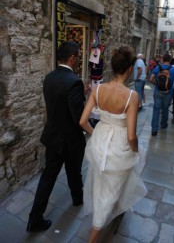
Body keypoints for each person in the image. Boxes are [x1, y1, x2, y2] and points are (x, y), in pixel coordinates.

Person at [80, 46, 147, 243]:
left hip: (100, 142)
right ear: (128, 70)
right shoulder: (131, 96)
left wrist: (96, 135)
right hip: (120, 147)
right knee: (110, 192)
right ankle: (95, 233)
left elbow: (83, 121)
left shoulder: (97, 89)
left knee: (102, 183)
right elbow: (132, 136)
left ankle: (115, 210)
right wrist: (135, 151)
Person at [27, 42, 87, 232]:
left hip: (53, 136)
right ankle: (77, 199)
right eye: (78, 56)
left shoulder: (49, 77)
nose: (79, 59)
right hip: (70, 140)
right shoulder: (74, 81)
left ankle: (34, 219)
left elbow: (58, 104)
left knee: (48, 178)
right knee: (74, 171)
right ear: (72, 58)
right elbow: (78, 117)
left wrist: (79, 95)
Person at [150, 53, 174, 136]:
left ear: (162, 60)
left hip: (157, 92)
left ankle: (154, 129)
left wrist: (156, 84)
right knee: (165, 109)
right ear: (170, 60)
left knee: (156, 110)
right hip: (168, 93)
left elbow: (150, 79)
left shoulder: (157, 68)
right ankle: (163, 125)